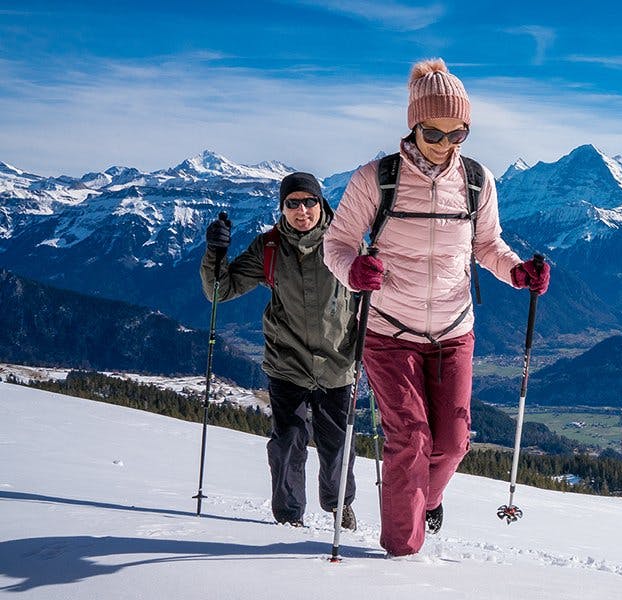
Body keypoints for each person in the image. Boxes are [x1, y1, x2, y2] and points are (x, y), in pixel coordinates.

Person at [323, 58, 549, 557]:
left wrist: (515, 271)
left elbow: (488, 244)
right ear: (413, 124)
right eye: (434, 132)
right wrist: (353, 270)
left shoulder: (475, 181)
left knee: (452, 443)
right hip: (388, 329)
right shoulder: (374, 180)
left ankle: (426, 498)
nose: (445, 145)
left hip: (452, 329)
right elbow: (336, 242)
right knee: (410, 438)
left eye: (457, 134)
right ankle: (401, 558)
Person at [201, 172, 358, 530]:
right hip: (288, 362)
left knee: (337, 446)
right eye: (293, 203)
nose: (302, 210)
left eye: (309, 202)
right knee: (288, 441)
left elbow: (372, 288)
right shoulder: (269, 248)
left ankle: (338, 506)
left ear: (321, 203)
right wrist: (215, 253)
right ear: (282, 207)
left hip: (337, 363)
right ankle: (289, 518)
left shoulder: (346, 242)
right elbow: (219, 291)